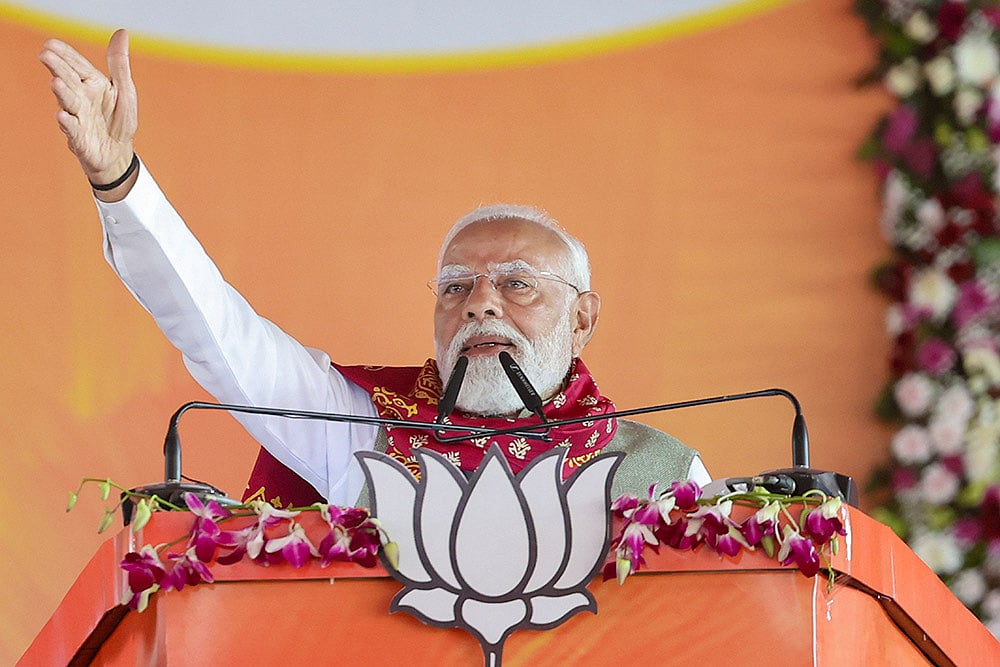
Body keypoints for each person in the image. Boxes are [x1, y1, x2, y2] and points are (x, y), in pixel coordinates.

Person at [39, 29, 710, 508]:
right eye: (455, 287)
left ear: (583, 316)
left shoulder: (670, 473)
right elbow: (221, 335)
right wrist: (122, 182)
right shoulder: (364, 432)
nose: (479, 303)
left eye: (515, 282)